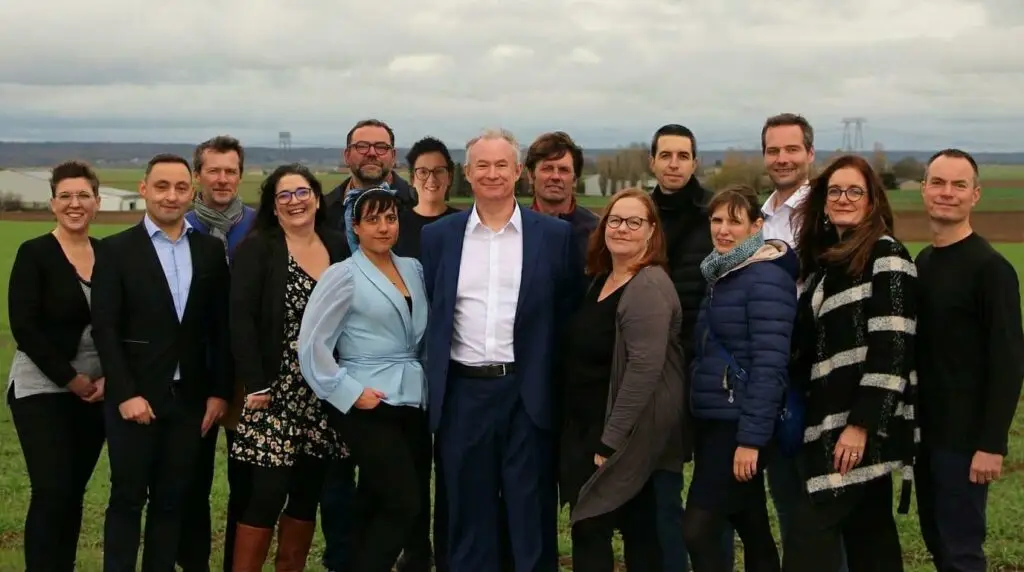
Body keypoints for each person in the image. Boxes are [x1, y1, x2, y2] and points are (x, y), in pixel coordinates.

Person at [420, 128, 581, 571]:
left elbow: (566, 316)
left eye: (501, 165)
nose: (492, 174)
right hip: (463, 394)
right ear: (467, 173)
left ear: (518, 172)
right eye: (482, 165)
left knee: (529, 516)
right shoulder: (439, 237)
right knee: (467, 514)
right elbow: (432, 311)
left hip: (527, 395)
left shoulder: (554, 237)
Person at [91, 153, 232, 572]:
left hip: (189, 401)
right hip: (135, 399)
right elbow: (105, 329)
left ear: (192, 192)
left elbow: (220, 329)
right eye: (162, 187)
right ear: (144, 189)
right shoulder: (115, 250)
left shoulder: (209, 251)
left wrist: (219, 393)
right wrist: (125, 393)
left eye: (181, 187)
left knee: (172, 502)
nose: (171, 196)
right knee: (127, 499)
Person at [783, 155, 918, 572]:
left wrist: (861, 426)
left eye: (854, 191)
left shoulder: (886, 255)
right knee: (870, 542)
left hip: (857, 433)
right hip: (827, 425)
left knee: (809, 543)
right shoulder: (829, 266)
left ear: (872, 201)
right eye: (835, 191)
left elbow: (893, 349)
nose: (843, 198)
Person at [299, 186, 430, 572]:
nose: (384, 227)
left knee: (375, 501)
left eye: (390, 218)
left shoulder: (413, 269)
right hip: (368, 401)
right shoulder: (343, 275)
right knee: (403, 503)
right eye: (373, 220)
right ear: (355, 227)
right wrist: (349, 392)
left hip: (413, 401)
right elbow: (312, 343)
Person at [228, 164, 350, 570]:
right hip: (273, 393)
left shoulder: (337, 245)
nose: (295, 201)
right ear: (274, 205)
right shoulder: (258, 248)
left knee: (306, 496)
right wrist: (255, 384)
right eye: (284, 195)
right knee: (266, 495)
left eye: (302, 193)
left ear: (316, 198)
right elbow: (241, 319)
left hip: (323, 392)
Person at [560, 187, 685, 572]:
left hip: (624, 435)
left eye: (634, 222)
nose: (622, 229)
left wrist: (611, 440)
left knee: (613, 529)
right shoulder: (601, 280)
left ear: (651, 231)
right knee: (602, 530)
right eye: (614, 220)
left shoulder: (647, 286)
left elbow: (643, 371)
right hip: (587, 426)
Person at [914, 148, 1024, 572]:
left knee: (961, 551)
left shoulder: (991, 270)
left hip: (964, 441)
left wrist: (991, 445)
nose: (947, 192)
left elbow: (1008, 362)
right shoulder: (924, 262)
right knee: (937, 542)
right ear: (924, 190)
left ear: (975, 195)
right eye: (938, 182)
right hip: (926, 434)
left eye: (959, 185)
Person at [683, 185, 799, 572]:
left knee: (697, 529)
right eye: (716, 220)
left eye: (734, 221)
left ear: (756, 226)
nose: (723, 230)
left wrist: (751, 440)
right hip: (716, 418)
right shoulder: (723, 273)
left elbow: (770, 363)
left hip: (737, 425)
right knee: (750, 520)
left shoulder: (765, 278)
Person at [6, 160, 107, 572]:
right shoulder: (34, 254)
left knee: (73, 493)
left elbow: (127, 323)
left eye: (83, 195)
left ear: (97, 202)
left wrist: (107, 380)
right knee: (52, 490)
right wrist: (70, 379)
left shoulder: (109, 255)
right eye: (65, 196)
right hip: (43, 388)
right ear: (52, 204)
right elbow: (24, 327)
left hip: (96, 392)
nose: (74, 203)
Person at [179, 134, 257, 572]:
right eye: (214, 170)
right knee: (192, 479)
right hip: (195, 371)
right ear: (198, 176)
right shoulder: (179, 227)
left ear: (240, 176)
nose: (223, 179)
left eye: (230, 171)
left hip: (248, 373)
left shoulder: (262, 227)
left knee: (246, 483)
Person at [646, 123, 722, 570]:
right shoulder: (639, 213)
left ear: (695, 162)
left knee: (715, 495)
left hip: (705, 367)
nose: (674, 164)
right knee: (662, 491)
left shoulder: (714, 215)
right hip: (654, 371)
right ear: (652, 162)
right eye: (665, 155)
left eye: (683, 156)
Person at [392, 136, 461, 572]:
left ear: (449, 177)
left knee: (452, 464)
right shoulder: (396, 225)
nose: (430, 179)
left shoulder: (464, 225)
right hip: (407, 361)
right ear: (411, 177)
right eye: (422, 172)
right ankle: (415, 549)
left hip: (455, 360)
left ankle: (452, 551)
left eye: (438, 171)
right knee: (413, 462)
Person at [525, 131, 599, 259]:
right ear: (531, 176)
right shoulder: (516, 229)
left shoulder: (597, 232)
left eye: (564, 170)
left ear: (575, 180)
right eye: (547, 168)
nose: (555, 177)